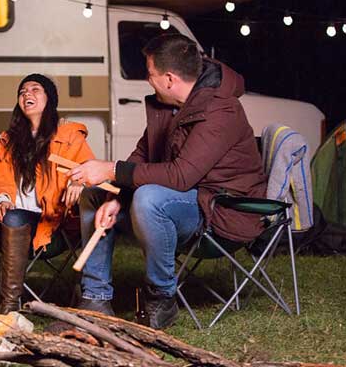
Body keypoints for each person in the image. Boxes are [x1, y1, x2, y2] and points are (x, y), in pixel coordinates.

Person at [67, 34, 267, 329]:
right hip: (185, 200)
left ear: (170, 78)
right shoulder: (171, 104)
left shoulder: (221, 111)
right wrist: (116, 196)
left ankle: (161, 297)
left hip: (220, 209)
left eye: (150, 74)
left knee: (149, 198)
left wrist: (110, 169)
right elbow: (143, 154)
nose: (148, 80)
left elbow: (181, 175)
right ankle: (96, 298)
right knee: (96, 194)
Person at [0, 74, 95, 319]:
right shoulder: (8, 141)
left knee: (13, 218)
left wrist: (79, 180)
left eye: (36, 89)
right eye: (23, 91)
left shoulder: (69, 136)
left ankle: (9, 304)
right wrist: (1, 198)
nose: (27, 94)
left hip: (52, 226)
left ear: (50, 99)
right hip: (11, 219)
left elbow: (89, 168)